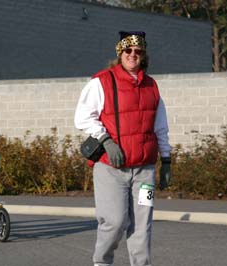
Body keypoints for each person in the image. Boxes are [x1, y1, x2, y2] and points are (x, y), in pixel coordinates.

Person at [74, 31, 172, 266]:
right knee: (115, 221)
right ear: (120, 53)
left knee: (142, 222)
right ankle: (102, 261)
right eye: (128, 51)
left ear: (143, 55)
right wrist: (106, 140)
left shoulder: (152, 86)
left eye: (138, 51)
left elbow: (161, 127)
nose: (133, 55)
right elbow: (82, 117)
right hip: (111, 168)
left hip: (145, 171)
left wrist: (166, 160)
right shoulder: (102, 81)